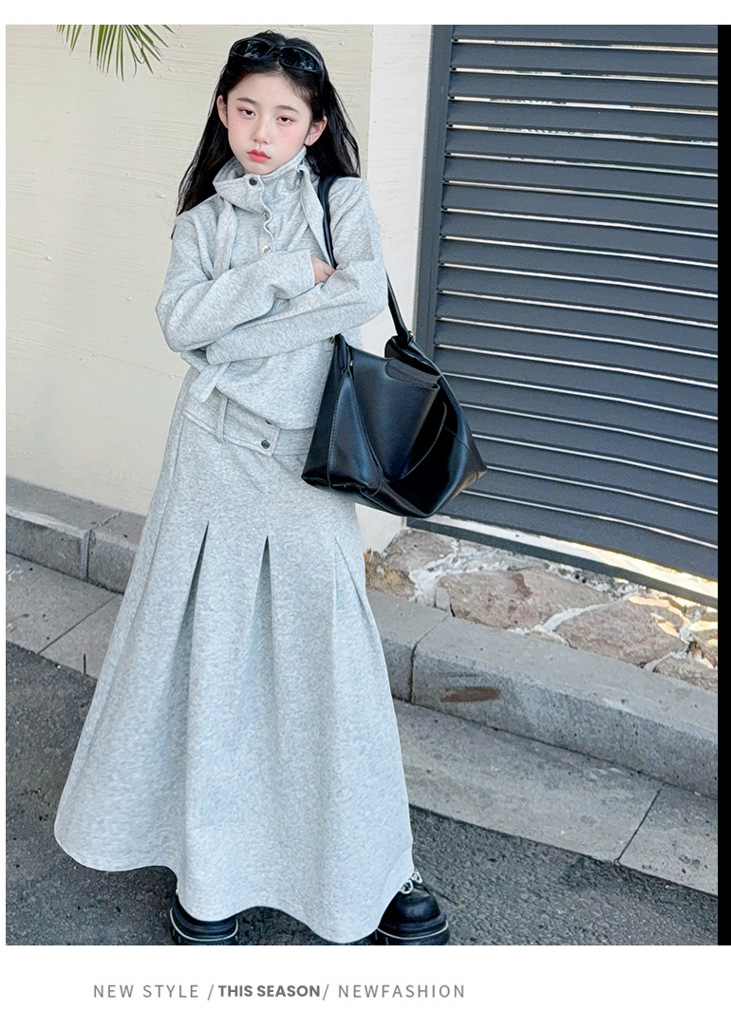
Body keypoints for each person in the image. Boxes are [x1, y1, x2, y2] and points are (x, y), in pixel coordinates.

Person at [53, 30, 449, 947]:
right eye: (246, 110)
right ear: (223, 113)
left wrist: (228, 342)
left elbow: (355, 296)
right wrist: (275, 275)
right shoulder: (201, 222)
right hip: (210, 460)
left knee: (330, 664)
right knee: (210, 654)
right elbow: (177, 321)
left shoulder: (341, 201)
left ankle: (370, 867)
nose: (262, 131)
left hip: (306, 461)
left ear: (314, 128)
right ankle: (211, 872)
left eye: (284, 115)